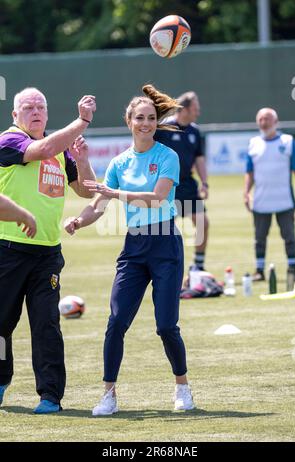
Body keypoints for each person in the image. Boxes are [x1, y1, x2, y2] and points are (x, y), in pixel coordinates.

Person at [64, 84, 195, 415]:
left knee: (166, 326)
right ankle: (108, 395)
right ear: (129, 121)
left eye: (151, 118)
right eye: (140, 118)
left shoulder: (168, 156)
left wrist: (114, 192)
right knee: (117, 321)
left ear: (156, 121)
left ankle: (182, 388)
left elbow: (158, 199)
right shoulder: (120, 162)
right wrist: (79, 221)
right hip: (134, 247)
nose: (146, 123)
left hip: (166, 244)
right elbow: (98, 204)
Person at [0, 87, 96, 413]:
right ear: (15, 115)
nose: (36, 111)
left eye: (40, 106)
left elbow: (85, 190)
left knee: (46, 325)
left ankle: (50, 396)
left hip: (47, 253)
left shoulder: (61, 150)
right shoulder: (9, 140)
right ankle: (0, 380)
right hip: (8, 249)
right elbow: (41, 150)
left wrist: (82, 162)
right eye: (28, 107)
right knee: (1, 324)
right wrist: (81, 122)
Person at [154, 91, 209, 276]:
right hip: (167, 186)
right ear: (184, 109)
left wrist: (205, 183)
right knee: (166, 228)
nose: (198, 112)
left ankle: (199, 265)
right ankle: (161, 264)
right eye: (195, 108)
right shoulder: (165, 128)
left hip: (187, 184)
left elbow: (199, 159)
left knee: (202, 222)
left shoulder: (195, 131)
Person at [244, 107, 295, 281]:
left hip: (284, 200)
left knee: (289, 236)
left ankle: (292, 269)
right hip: (261, 201)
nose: (263, 122)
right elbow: (250, 172)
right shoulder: (253, 143)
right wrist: (246, 193)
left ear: (276, 121)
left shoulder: (288, 141)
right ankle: (259, 271)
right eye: (260, 119)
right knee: (259, 238)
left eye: (267, 118)